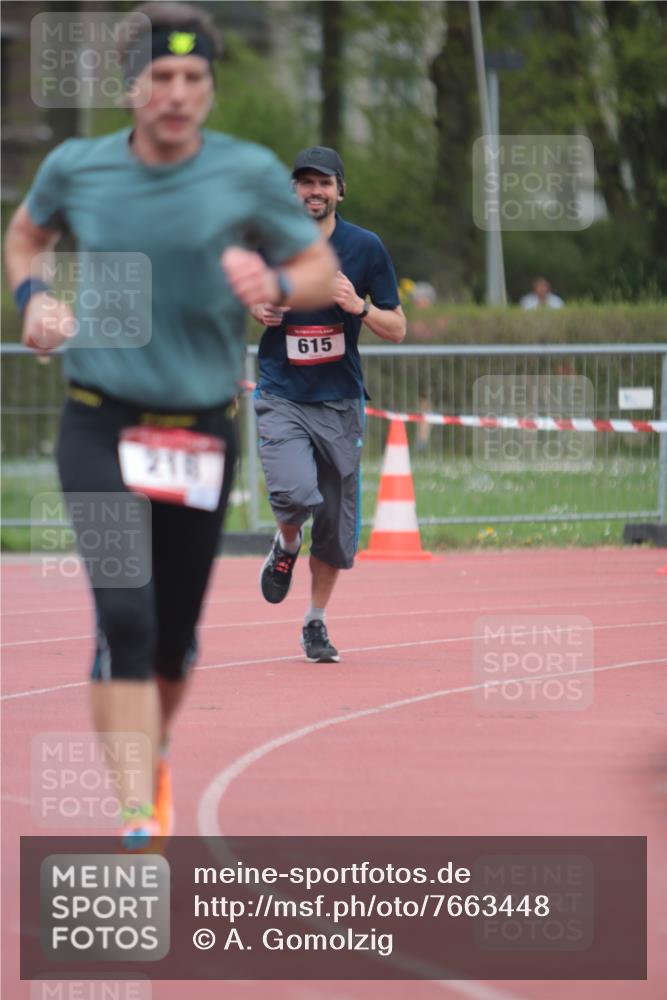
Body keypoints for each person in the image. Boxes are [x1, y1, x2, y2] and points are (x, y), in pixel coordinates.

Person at [3, 1, 337, 848]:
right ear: (132, 89)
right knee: (125, 616)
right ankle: (136, 799)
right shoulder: (78, 167)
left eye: (193, 78)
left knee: (173, 639)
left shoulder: (246, 174)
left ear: (210, 90)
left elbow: (316, 267)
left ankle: (149, 747)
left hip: (198, 430)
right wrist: (33, 299)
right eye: (161, 77)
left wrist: (271, 280)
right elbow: (26, 236)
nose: (178, 92)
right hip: (100, 421)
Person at [250, 146, 406, 663]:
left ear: (340, 190)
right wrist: (260, 308)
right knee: (294, 492)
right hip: (281, 392)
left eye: (324, 183)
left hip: (339, 401)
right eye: (305, 182)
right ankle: (287, 543)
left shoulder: (365, 247)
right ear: (293, 190)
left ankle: (315, 621)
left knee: (336, 526)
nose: (314, 192)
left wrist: (359, 306)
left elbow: (397, 328)